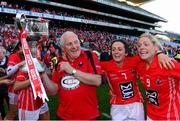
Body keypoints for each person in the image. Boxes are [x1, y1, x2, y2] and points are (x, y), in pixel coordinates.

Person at [100, 40, 174, 121]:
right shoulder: (105, 65)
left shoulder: (134, 60)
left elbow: (149, 52)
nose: (116, 52)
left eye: (120, 49)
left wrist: (160, 53)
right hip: (117, 106)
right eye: (113, 49)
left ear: (126, 53)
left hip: (135, 104)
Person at [51, 31, 102, 120]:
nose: (74, 46)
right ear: (63, 48)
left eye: (76, 42)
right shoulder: (58, 62)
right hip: (64, 117)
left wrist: (72, 70)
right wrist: (42, 74)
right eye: (69, 44)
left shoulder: (89, 55)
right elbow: (54, 91)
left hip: (90, 116)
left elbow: (97, 81)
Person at [137, 33, 180, 120]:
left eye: (146, 44)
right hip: (150, 115)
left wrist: (160, 53)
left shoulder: (166, 64)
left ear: (155, 47)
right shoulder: (139, 65)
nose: (141, 47)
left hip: (169, 116)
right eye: (139, 45)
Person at [0, 46, 10, 119]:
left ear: (4, 53)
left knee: (11, 104)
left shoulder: (9, 60)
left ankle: (12, 116)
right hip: (0, 88)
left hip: (8, 87)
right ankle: (3, 117)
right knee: (0, 105)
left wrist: (5, 71)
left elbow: (13, 73)